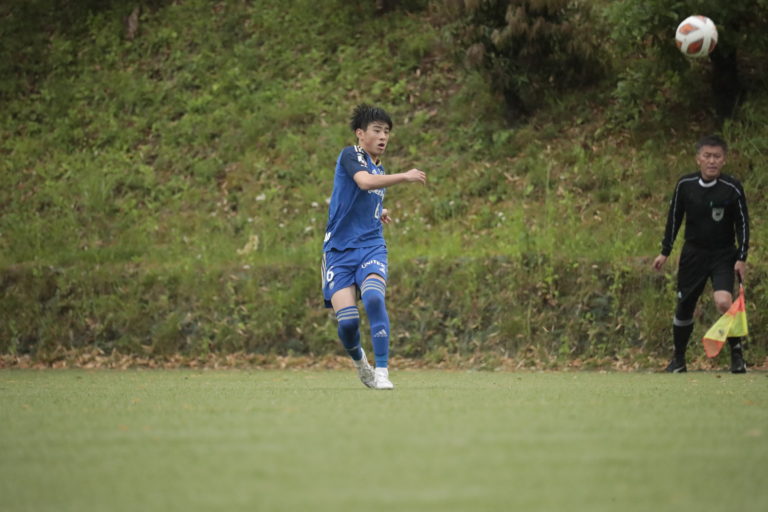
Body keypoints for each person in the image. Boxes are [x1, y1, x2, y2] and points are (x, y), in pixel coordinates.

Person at [321, 104, 426, 389]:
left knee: (374, 299)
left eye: (387, 132)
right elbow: (364, 183)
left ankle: (382, 371)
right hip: (338, 252)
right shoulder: (350, 155)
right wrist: (405, 176)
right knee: (348, 323)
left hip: (371, 246)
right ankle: (360, 363)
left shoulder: (379, 168)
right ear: (360, 133)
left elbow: (365, 195)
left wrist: (378, 211)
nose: (383, 137)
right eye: (377, 131)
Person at [652, 135, 749, 373]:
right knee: (685, 305)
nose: (712, 161)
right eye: (707, 156)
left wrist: (741, 257)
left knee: (724, 302)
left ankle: (737, 355)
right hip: (693, 254)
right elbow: (674, 218)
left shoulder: (732, 187)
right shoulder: (685, 185)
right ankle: (679, 359)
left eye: (717, 156)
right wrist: (665, 251)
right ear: (698, 159)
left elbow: (743, 223)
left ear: (724, 160)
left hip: (723, 254)